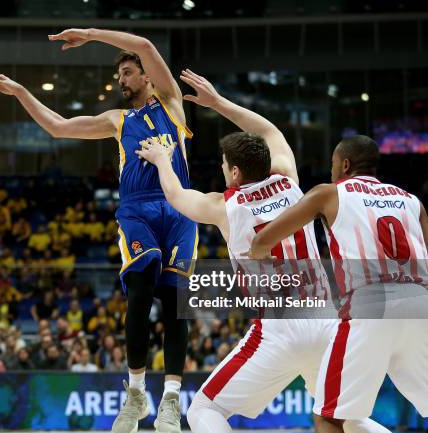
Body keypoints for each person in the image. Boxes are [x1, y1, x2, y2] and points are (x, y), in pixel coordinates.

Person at [137, 70, 391, 433]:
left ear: (235, 172)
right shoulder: (289, 180)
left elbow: (176, 196)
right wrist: (219, 103)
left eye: (225, 167)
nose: (223, 173)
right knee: (348, 419)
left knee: (204, 411)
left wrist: (162, 160)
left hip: (279, 328)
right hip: (327, 321)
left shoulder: (225, 207)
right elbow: (271, 131)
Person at [0, 28, 196, 433]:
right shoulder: (117, 120)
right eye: (120, 75)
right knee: (140, 287)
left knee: (174, 302)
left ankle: (170, 400)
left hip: (180, 207)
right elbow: (59, 127)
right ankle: (136, 393)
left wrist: (91, 35)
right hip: (137, 212)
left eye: (129, 72)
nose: (123, 80)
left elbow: (146, 46)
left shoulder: (171, 104)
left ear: (148, 77)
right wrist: (20, 92)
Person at [248, 135, 428, 433]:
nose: (331, 171)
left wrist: (258, 253)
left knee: (328, 416)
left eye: (332, 165)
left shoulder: (329, 193)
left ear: (345, 164)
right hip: (420, 305)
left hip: (371, 304)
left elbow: (263, 239)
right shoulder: (412, 202)